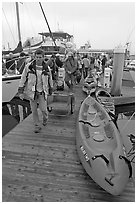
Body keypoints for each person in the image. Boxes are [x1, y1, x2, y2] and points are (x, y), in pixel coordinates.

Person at [18, 48, 53, 133]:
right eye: (37, 57)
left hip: (42, 92)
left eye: (40, 57)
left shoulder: (46, 68)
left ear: (43, 57)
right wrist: (21, 90)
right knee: (33, 110)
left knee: (44, 110)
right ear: (34, 57)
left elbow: (50, 79)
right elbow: (23, 78)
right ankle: (37, 125)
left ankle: (45, 119)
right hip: (32, 93)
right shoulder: (29, 66)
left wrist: (51, 89)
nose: (38, 59)